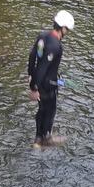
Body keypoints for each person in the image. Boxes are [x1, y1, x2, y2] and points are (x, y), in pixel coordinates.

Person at [28, 10, 74, 147]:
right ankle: (47, 137)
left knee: (41, 109)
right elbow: (43, 68)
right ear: (63, 28)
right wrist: (34, 89)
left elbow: (32, 57)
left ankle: (37, 139)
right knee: (50, 110)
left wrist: (31, 77)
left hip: (40, 81)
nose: (67, 33)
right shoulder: (56, 46)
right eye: (67, 30)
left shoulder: (43, 36)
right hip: (48, 85)